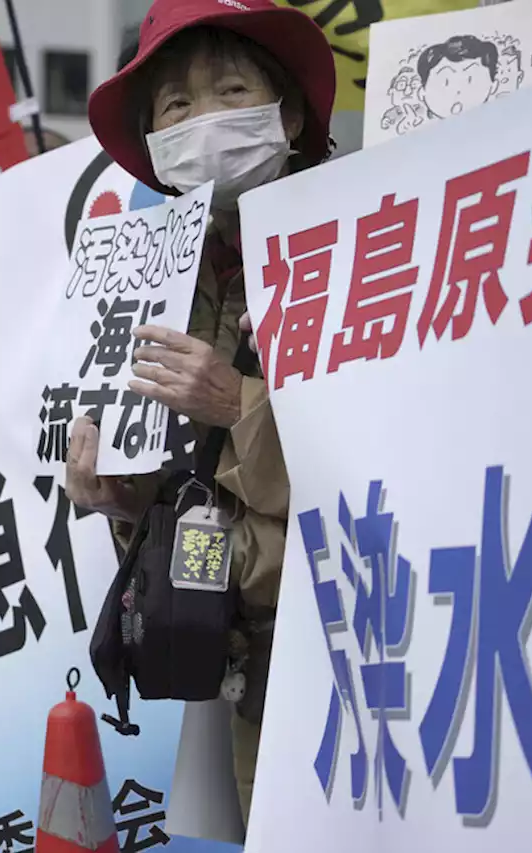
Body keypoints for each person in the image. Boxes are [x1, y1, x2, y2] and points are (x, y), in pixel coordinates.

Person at [71, 0, 336, 824]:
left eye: (230, 90)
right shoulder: (166, 281)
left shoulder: (361, 238)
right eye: (178, 107)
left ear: (286, 113)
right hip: (217, 668)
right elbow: (181, 491)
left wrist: (239, 404)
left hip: (341, 659)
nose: (206, 120)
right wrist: (121, 499)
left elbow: (381, 470)